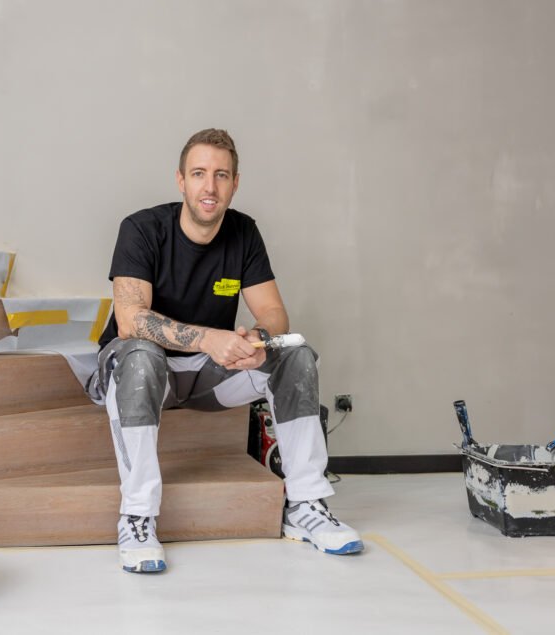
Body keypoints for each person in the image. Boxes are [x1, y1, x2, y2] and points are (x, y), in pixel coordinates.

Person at [86, 128, 363, 574]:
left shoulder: (243, 232)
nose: (209, 187)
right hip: (137, 372)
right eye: (199, 173)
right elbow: (131, 320)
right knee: (141, 354)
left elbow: (274, 312)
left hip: (206, 376)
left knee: (295, 355)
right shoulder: (142, 228)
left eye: (221, 175)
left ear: (235, 183)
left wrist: (258, 339)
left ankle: (306, 504)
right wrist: (208, 338)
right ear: (181, 180)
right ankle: (137, 516)